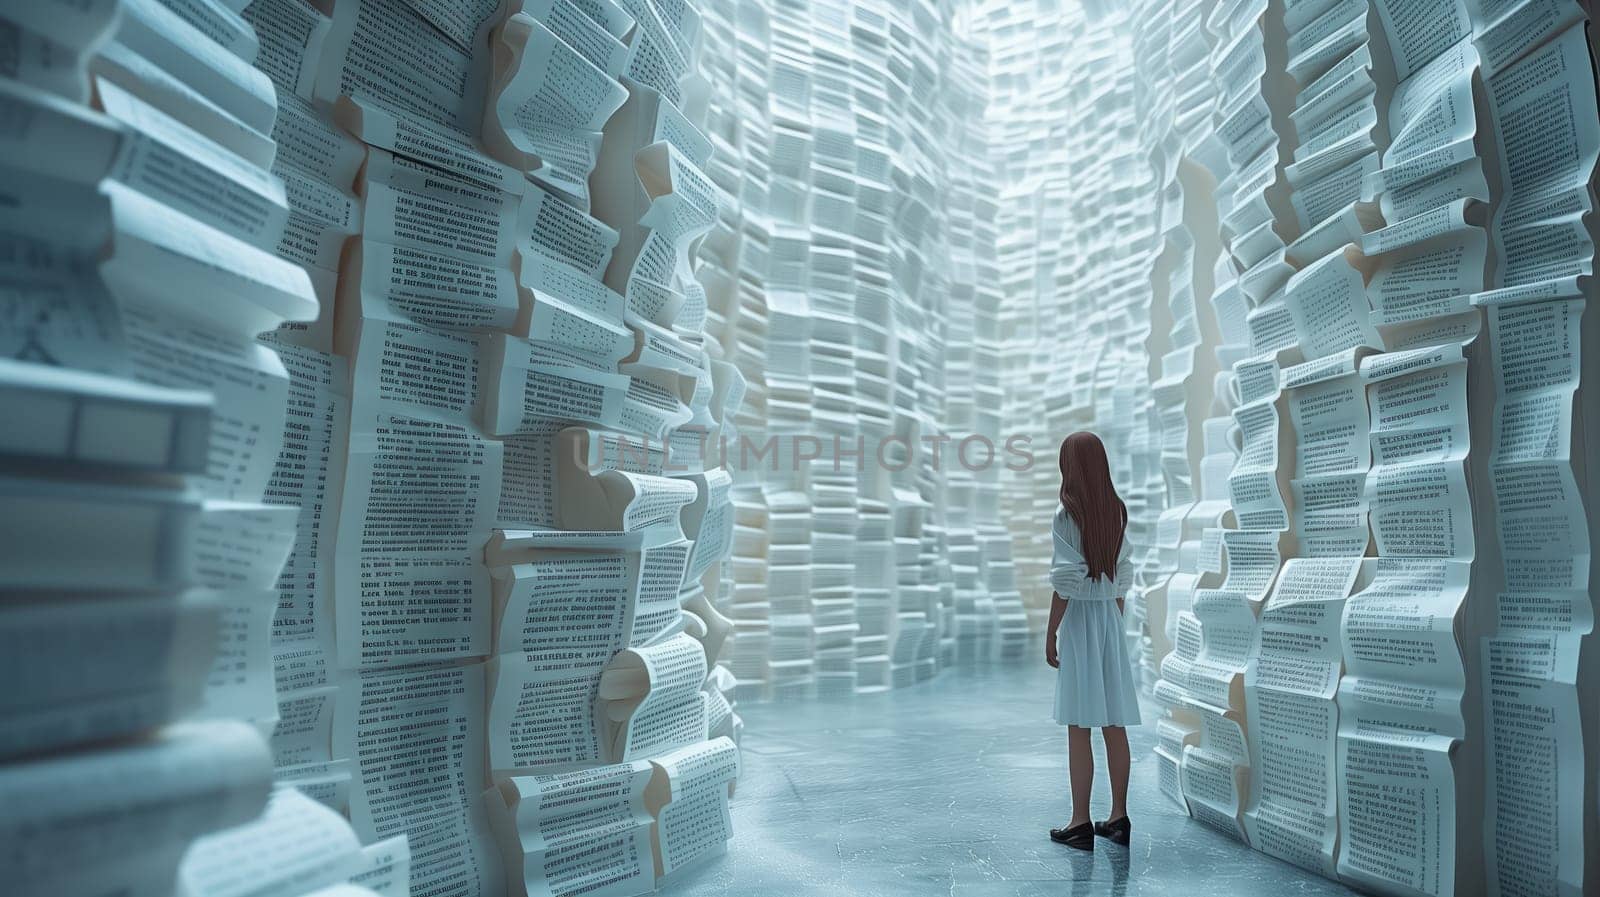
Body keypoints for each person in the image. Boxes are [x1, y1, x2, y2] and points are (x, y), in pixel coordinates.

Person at [1044, 432, 1141, 851]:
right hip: (1109, 621)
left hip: (1082, 622)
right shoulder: (1116, 512)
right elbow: (1123, 577)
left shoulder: (1067, 516)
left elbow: (1065, 584)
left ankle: (1079, 821)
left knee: (1079, 727)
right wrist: (1112, 619)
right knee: (1114, 724)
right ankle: (1119, 817)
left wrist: (1051, 633)